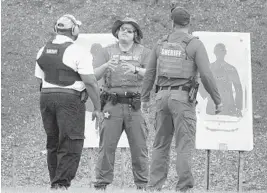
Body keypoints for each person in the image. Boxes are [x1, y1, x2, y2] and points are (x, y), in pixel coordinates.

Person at [141, 7, 222, 192]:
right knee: (183, 144)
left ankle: (153, 187)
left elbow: (150, 73)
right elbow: (207, 75)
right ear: (189, 22)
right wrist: (217, 100)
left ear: (172, 23)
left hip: (161, 97)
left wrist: (145, 98)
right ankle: (183, 188)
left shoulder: (161, 43)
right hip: (182, 98)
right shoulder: (194, 44)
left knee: (160, 144)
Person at [35, 14, 101, 190]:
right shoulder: (78, 51)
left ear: (56, 29)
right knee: (71, 140)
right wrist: (97, 107)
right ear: (74, 30)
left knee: (53, 141)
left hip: (46, 97)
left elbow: (41, 80)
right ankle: (61, 184)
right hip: (69, 99)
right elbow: (90, 82)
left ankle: (55, 182)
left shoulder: (42, 50)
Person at [93, 17, 151, 190]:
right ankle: (102, 182)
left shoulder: (145, 52)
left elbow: (152, 74)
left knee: (139, 146)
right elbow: (93, 75)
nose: (125, 32)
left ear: (135, 35)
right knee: (107, 145)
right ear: (117, 32)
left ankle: (142, 183)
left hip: (134, 105)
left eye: (129, 30)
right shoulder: (106, 52)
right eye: (122, 29)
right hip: (112, 104)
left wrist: (136, 69)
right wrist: (105, 66)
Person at [200, 43, 243, 116]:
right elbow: (238, 89)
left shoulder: (230, 69)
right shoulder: (230, 69)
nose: (220, 54)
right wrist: (238, 107)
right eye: (218, 52)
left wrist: (239, 107)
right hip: (220, 106)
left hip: (221, 105)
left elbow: (238, 89)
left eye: (221, 52)